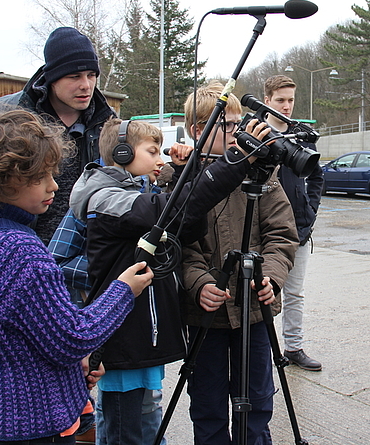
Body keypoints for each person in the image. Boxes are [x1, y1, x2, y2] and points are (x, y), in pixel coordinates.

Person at [0, 109, 154, 444]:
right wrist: (122, 291)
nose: (54, 186)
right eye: (38, 178)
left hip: (4, 415)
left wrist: (74, 368)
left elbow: (26, 334)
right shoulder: (20, 250)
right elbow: (71, 338)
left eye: (51, 173)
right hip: (36, 424)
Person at [68, 113, 271, 445]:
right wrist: (237, 159)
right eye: (151, 150)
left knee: (147, 428)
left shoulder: (132, 189)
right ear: (122, 154)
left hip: (142, 338)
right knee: (127, 431)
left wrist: (184, 173)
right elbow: (172, 210)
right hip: (123, 342)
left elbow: (187, 224)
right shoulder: (106, 198)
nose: (159, 159)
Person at [180, 81, 298, 445]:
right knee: (208, 405)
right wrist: (199, 283)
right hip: (207, 318)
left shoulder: (261, 172)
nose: (237, 131)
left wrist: (272, 278)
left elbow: (282, 234)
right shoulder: (184, 179)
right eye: (228, 125)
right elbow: (181, 246)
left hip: (255, 310)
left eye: (237, 123)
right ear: (200, 130)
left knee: (258, 402)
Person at [0, 27, 116, 245]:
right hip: (23, 250)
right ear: (52, 78)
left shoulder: (107, 121)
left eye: (91, 75)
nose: (86, 85)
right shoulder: (9, 115)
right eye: (74, 76)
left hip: (86, 255)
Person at [263, 75, 324, 370]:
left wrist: (310, 210)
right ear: (267, 101)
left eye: (290, 100)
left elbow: (317, 175)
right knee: (263, 293)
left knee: (294, 293)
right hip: (263, 231)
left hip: (298, 230)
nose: (286, 107)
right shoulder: (256, 133)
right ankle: (261, 349)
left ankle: (294, 348)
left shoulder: (303, 134)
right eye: (280, 100)